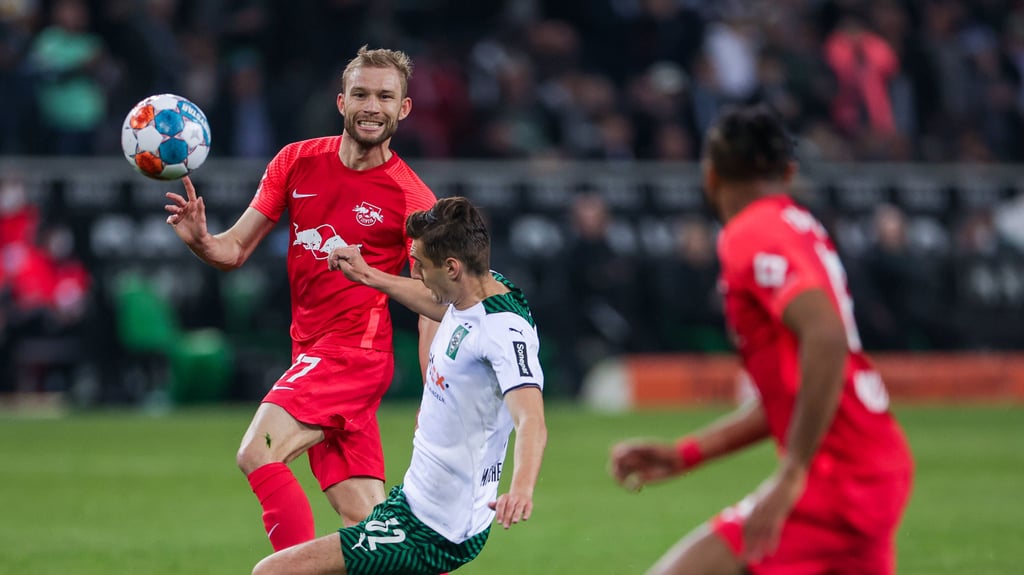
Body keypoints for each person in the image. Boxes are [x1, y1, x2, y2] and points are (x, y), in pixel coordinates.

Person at [609, 104, 913, 575]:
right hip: (876, 464)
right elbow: (793, 389)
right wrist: (687, 453)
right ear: (788, 173)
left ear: (710, 177)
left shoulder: (750, 232)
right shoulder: (800, 226)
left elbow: (826, 336)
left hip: (836, 478)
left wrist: (794, 471)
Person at [163, 46, 438, 551]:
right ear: (341, 101)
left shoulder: (412, 198)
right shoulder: (295, 161)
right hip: (309, 351)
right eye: (361, 94)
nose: (371, 106)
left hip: (352, 356)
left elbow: (435, 303)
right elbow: (235, 249)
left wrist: (433, 393)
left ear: (404, 109)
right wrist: (203, 241)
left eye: (385, 96)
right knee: (373, 523)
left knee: (258, 450)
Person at [250, 196, 548, 575]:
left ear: (452, 268)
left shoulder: (503, 334)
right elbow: (437, 302)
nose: (417, 275)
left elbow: (531, 421)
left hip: (433, 531)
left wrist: (520, 489)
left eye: (420, 265)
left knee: (273, 572)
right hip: (413, 503)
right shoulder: (481, 289)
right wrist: (368, 275)